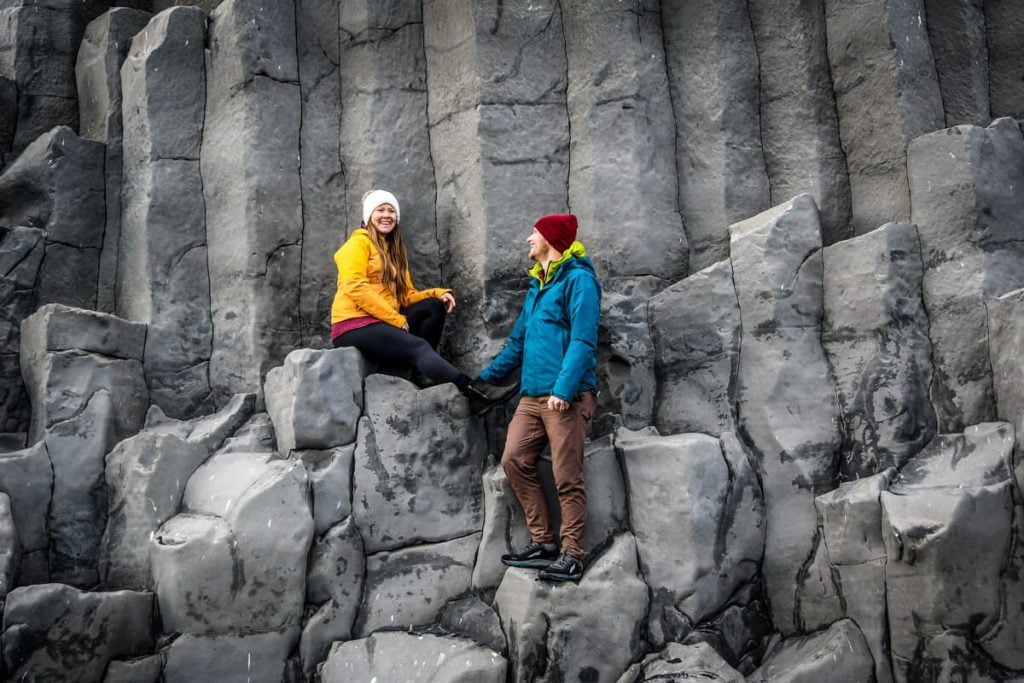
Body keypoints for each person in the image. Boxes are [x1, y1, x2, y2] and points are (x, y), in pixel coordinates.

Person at [476, 213, 601, 582]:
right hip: (532, 397)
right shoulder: (537, 286)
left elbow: (583, 340)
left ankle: (573, 555)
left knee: (567, 476)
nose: (528, 239)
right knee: (514, 460)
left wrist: (564, 390)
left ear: (549, 238)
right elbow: (517, 344)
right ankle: (544, 542)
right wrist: (482, 382)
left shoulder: (579, 280)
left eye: (534, 233)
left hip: (568, 396)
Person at [331, 190, 516, 414]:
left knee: (432, 307)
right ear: (369, 214)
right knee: (418, 346)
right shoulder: (356, 245)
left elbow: (406, 296)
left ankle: (418, 370)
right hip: (354, 324)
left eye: (391, 210)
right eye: (380, 210)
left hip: (380, 320)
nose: (386, 215)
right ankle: (473, 391)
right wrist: (396, 320)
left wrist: (437, 294)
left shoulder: (393, 252)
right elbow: (354, 286)